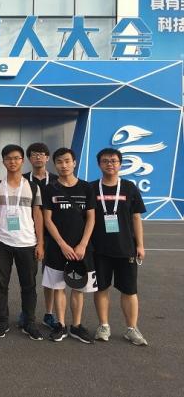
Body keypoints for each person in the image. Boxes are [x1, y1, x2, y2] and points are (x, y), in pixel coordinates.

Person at [91, 148, 148, 345]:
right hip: (100, 249)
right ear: (99, 164)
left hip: (126, 248)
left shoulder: (129, 187)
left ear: (120, 164)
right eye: (105, 161)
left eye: (114, 161)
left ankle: (132, 329)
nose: (110, 164)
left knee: (129, 290)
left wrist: (140, 245)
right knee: (101, 288)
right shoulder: (92, 188)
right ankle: (103, 326)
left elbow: (136, 218)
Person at [42, 147, 97, 343]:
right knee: (58, 287)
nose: (63, 165)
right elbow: (47, 219)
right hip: (57, 248)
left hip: (82, 248)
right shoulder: (49, 189)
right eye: (59, 162)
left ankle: (76, 326)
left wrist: (83, 244)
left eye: (67, 161)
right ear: (54, 165)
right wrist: (62, 244)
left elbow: (91, 218)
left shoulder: (86, 187)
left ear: (74, 163)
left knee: (78, 287)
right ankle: (61, 325)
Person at [0, 144, 44, 341]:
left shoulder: (33, 187)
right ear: (3, 161)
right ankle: (2, 322)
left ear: (22, 160)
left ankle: (29, 323)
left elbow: (38, 215)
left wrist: (41, 243)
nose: (12, 162)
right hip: (1, 241)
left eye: (16, 158)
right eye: (8, 158)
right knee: (0, 284)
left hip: (27, 242)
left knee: (29, 285)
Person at [22, 142, 60, 330]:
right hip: (27, 232)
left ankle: (49, 313)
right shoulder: (22, 180)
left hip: (51, 233)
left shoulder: (56, 180)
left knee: (50, 275)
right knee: (28, 276)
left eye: (42, 154)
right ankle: (26, 312)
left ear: (47, 158)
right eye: (34, 154)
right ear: (29, 158)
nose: (38, 157)